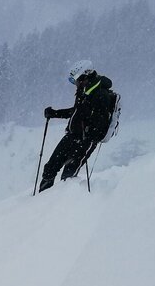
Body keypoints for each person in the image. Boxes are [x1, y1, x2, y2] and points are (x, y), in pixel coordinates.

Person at [39, 59, 114, 192]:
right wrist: (55, 113)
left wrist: (89, 132)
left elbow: (100, 124)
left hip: (86, 141)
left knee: (68, 176)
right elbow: (76, 112)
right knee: (50, 168)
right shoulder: (84, 90)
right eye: (72, 80)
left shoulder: (100, 94)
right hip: (72, 136)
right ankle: (39, 201)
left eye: (75, 79)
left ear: (85, 75)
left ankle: (62, 206)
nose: (75, 83)